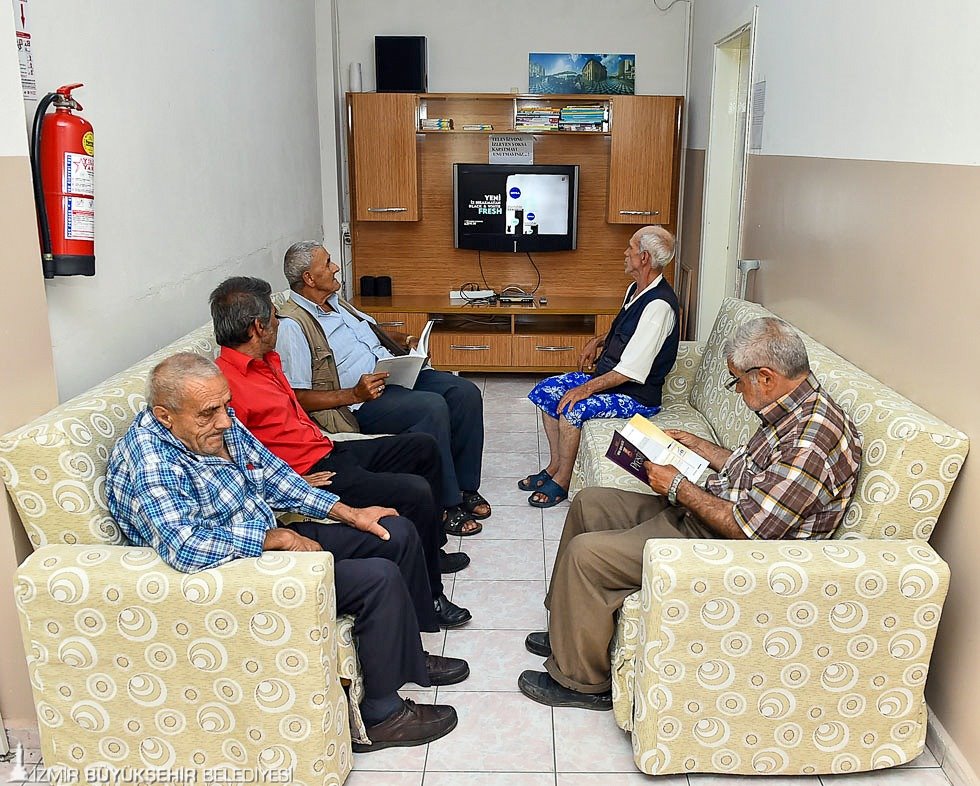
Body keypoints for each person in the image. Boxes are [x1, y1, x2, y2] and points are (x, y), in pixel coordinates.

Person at [105, 352, 469, 751]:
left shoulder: (213, 425)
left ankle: (410, 656)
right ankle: (383, 716)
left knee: (392, 531)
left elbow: (276, 477)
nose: (225, 421)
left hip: (269, 540)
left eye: (226, 406)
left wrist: (350, 514)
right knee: (376, 578)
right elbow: (186, 546)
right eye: (210, 413)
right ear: (164, 415)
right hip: (230, 572)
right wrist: (276, 540)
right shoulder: (151, 460)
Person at [518, 317, 863, 710]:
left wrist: (677, 487)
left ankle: (580, 682)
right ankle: (568, 630)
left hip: (728, 548)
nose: (736, 391)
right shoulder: (793, 409)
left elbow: (749, 532)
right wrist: (700, 447)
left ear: (765, 377)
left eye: (737, 381)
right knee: (590, 502)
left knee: (587, 556)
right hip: (713, 513)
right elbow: (759, 473)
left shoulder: (812, 441)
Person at [210, 276, 471, 629]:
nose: (279, 322)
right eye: (274, 316)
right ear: (258, 327)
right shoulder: (224, 387)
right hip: (312, 473)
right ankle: (429, 602)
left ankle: (430, 553)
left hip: (328, 448)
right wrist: (291, 482)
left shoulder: (267, 359)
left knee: (422, 448)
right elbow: (226, 458)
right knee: (414, 490)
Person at [275, 241, 490, 537]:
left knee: (464, 393)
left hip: (391, 373)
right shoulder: (292, 326)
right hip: (360, 401)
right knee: (431, 407)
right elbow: (296, 397)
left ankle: (466, 488)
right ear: (309, 279)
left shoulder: (336, 302)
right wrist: (354, 394)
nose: (335, 267)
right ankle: (446, 504)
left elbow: (367, 334)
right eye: (327, 264)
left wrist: (405, 339)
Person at [520, 226, 680, 508]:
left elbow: (631, 370)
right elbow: (626, 330)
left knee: (572, 406)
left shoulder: (660, 306)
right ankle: (556, 466)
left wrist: (585, 389)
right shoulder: (636, 289)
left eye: (630, 248)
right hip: (610, 377)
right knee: (547, 392)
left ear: (643, 258)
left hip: (637, 396)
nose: (625, 252)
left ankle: (564, 481)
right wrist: (598, 340)